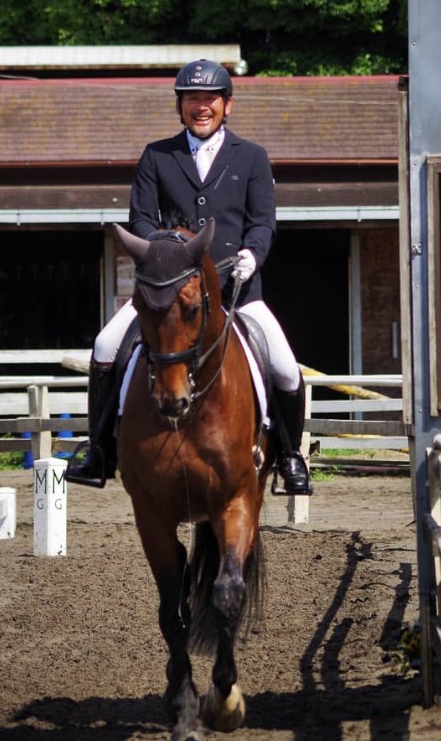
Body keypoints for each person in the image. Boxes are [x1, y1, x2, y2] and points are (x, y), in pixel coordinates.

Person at [65, 58, 312, 495]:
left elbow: (263, 222)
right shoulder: (157, 156)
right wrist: (165, 255)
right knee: (105, 345)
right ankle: (99, 450)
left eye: (210, 99)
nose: (201, 107)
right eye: (192, 99)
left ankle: (291, 456)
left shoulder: (251, 157)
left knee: (287, 369)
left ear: (227, 106)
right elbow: (140, 219)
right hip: (168, 295)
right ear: (180, 107)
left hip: (237, 293)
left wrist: (252, 255)